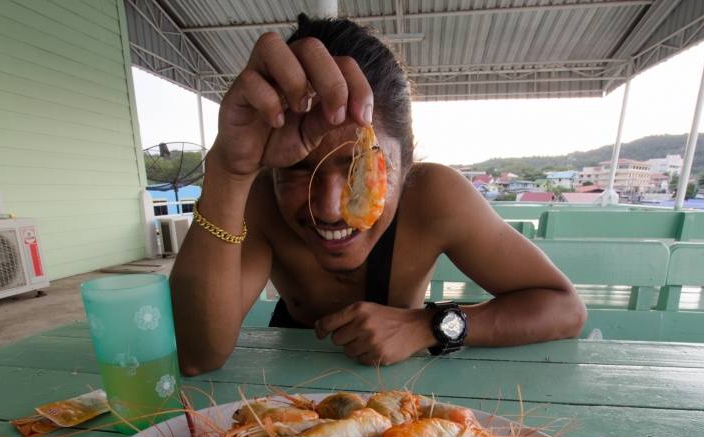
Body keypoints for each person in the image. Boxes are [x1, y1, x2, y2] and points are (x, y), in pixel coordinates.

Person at [171, 15, 586, 376]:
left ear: (407, 166)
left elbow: (564, 308)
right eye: (297, 170)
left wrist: (425, 326)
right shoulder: (257, 200)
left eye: (362, 170)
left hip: (408, 380)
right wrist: (228, 171)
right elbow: (196, 357)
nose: (331, 210)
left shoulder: (436, 195)